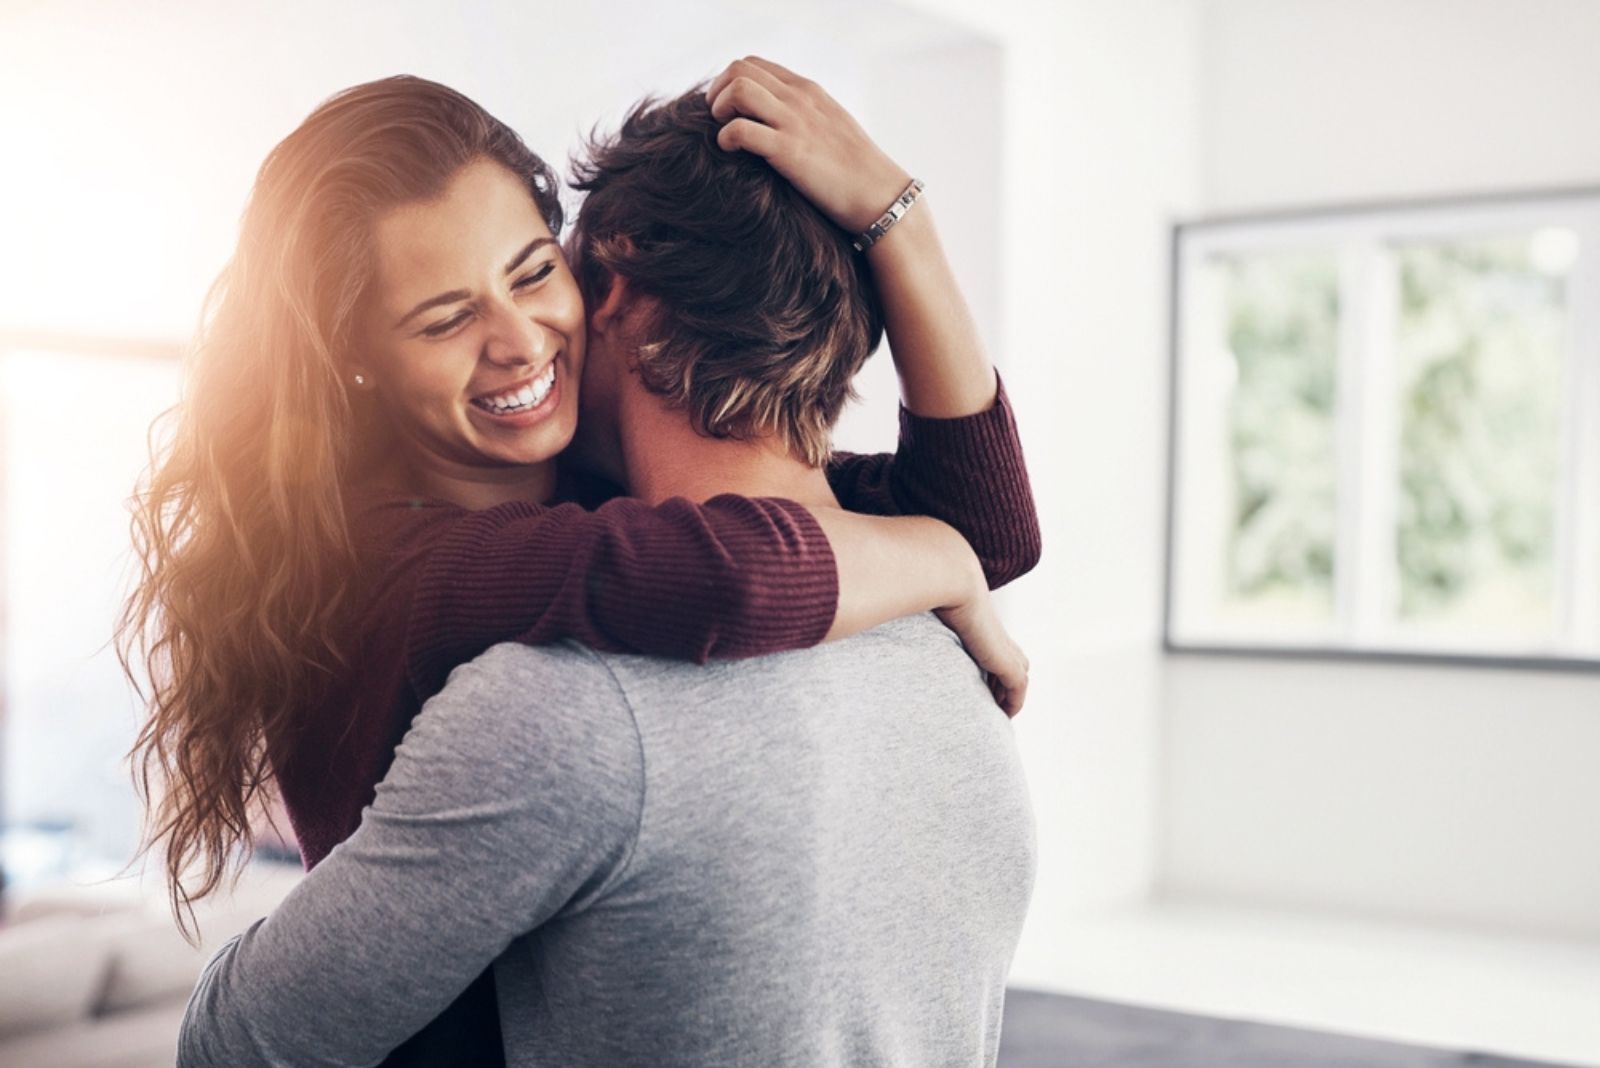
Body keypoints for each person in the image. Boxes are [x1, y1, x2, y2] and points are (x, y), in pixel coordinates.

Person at [178, 62, 1037, 1068]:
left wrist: (902, 224)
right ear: (354, 357)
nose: (519, 342)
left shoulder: (587, 494)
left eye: (537, 272)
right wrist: (938, 559)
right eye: (445, 319)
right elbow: (736, 574)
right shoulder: (397, 564)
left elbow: (989, 524)